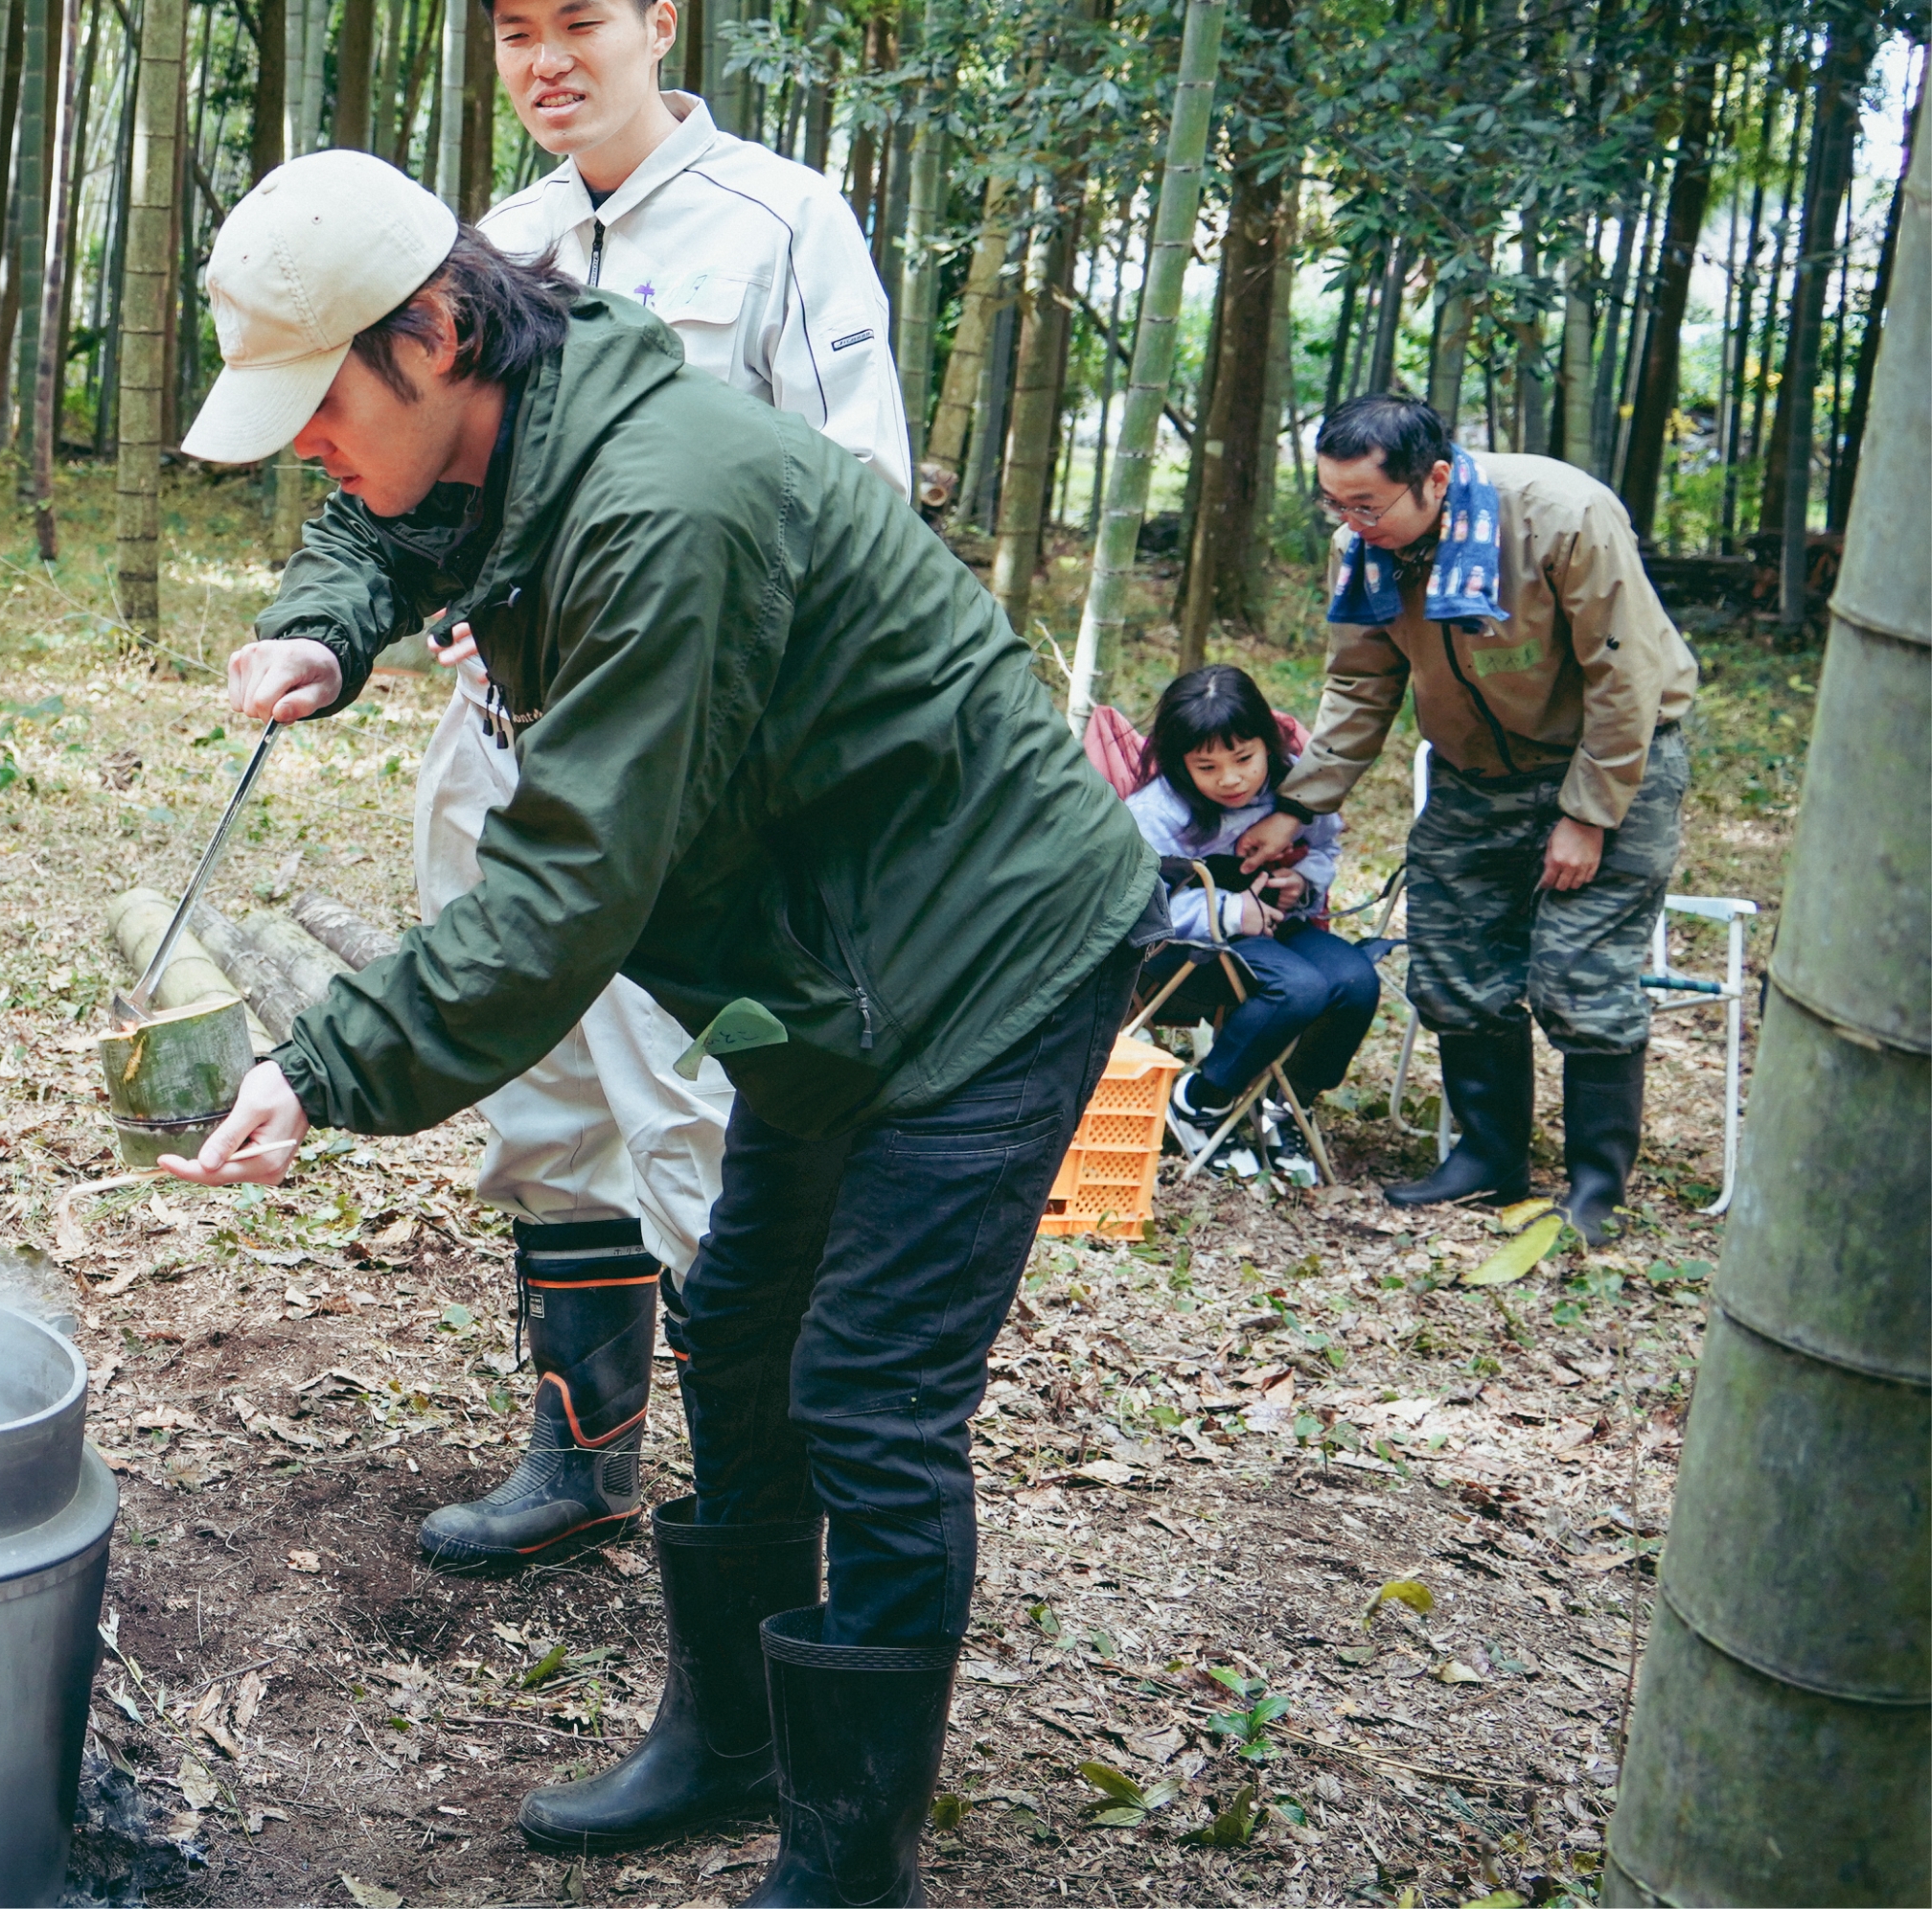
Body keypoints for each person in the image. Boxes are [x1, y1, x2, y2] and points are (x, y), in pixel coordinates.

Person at [168, 150, 1157, 1904]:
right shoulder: (512, 433)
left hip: (986, 944)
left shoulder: (660, 508)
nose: (310, 445)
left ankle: (852, 1862)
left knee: (869, 1392)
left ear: (440, 328)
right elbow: (390, 523)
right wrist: (332, 627)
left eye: (319, 404)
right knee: (740, 1320)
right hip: (826, 958)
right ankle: (734, 1746)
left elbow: (567, 892)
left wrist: (320, 1064)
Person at [397, 0, 921, 1596]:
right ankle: (585, 1460)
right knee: (543, 1101)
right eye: (516, 36)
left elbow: (861, 492)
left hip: (702, 766)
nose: (547, 63)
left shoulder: (781, 220)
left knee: (700, 1110)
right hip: (506, 740)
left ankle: (766, 1512)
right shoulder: (497, 236)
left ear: (659, 28)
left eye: (579, 26)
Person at [1239, 394, 1697, 1247]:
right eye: (1332, 502)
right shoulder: (1365, 552)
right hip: (1473, 773)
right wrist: (1299, 804)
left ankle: (1597, 1185)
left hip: (1607, 762)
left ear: (1436, 479)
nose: (1347, 522)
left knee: (1577, 976)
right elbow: (1360, 683)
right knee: (1452, 964)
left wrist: (1587, 815)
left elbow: (1624, 676)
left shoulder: (1561, 516)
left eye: (1365, 504)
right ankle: (1488, 1158)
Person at [1125, 663, 1383, 1180]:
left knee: (1356, 981)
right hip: (1189, 946)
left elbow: (1325, 846)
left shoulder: (1297, 791)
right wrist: (1227, 910)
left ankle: (1287, 1103)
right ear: (1180, 765)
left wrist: (1302, 883)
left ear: (1269, 745)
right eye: (1207, 767)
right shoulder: (1156, 813)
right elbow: (1136, 905)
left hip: (1279, 926)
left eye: (1244, 758)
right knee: (1298, 987)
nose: (1231, 778)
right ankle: (1201, 1099)